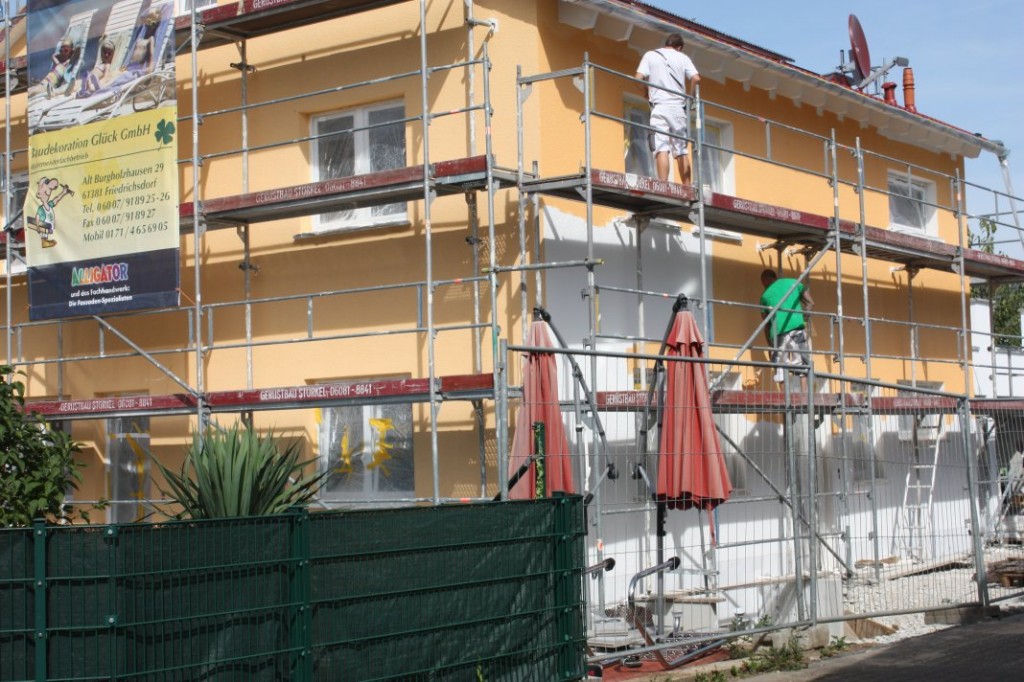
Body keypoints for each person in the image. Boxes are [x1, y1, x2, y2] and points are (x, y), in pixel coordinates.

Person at [635, 33, 700, 184]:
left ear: (666, 44)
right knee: (681, 149)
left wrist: (645, 92)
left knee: (661, 147)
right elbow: (696, 78)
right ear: (679, 47)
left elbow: (637, 78)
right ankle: (687, 187)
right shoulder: (683, 58)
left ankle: (663, 184)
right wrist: (690, 98)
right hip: (678, 108)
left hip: (659, 107)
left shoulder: (650, 55)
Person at [759, 269, 814, 390]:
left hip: (777, 334)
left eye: (763, 283)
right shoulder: (793, 282)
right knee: (801, 362)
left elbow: (766, 324)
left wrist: (770, 345)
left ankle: (784, 397)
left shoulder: (765, 296)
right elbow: (810, 303)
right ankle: (804, 395)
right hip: (796, 329)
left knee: (780, 366)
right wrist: (804, 316)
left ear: (765, 280)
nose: (764, 286)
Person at [28, 177, 73, 249]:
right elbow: (37, 217)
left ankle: (45, 241)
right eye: (45, 193)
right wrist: (37, 227)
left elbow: (56, 199)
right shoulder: (41, 209)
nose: (47, 195)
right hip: (44, 226)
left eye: (48, 194)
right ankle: (44, 241)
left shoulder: (49, 205)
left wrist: (63, 192)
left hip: (48, 227)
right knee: (44, 229)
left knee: (46, 229)